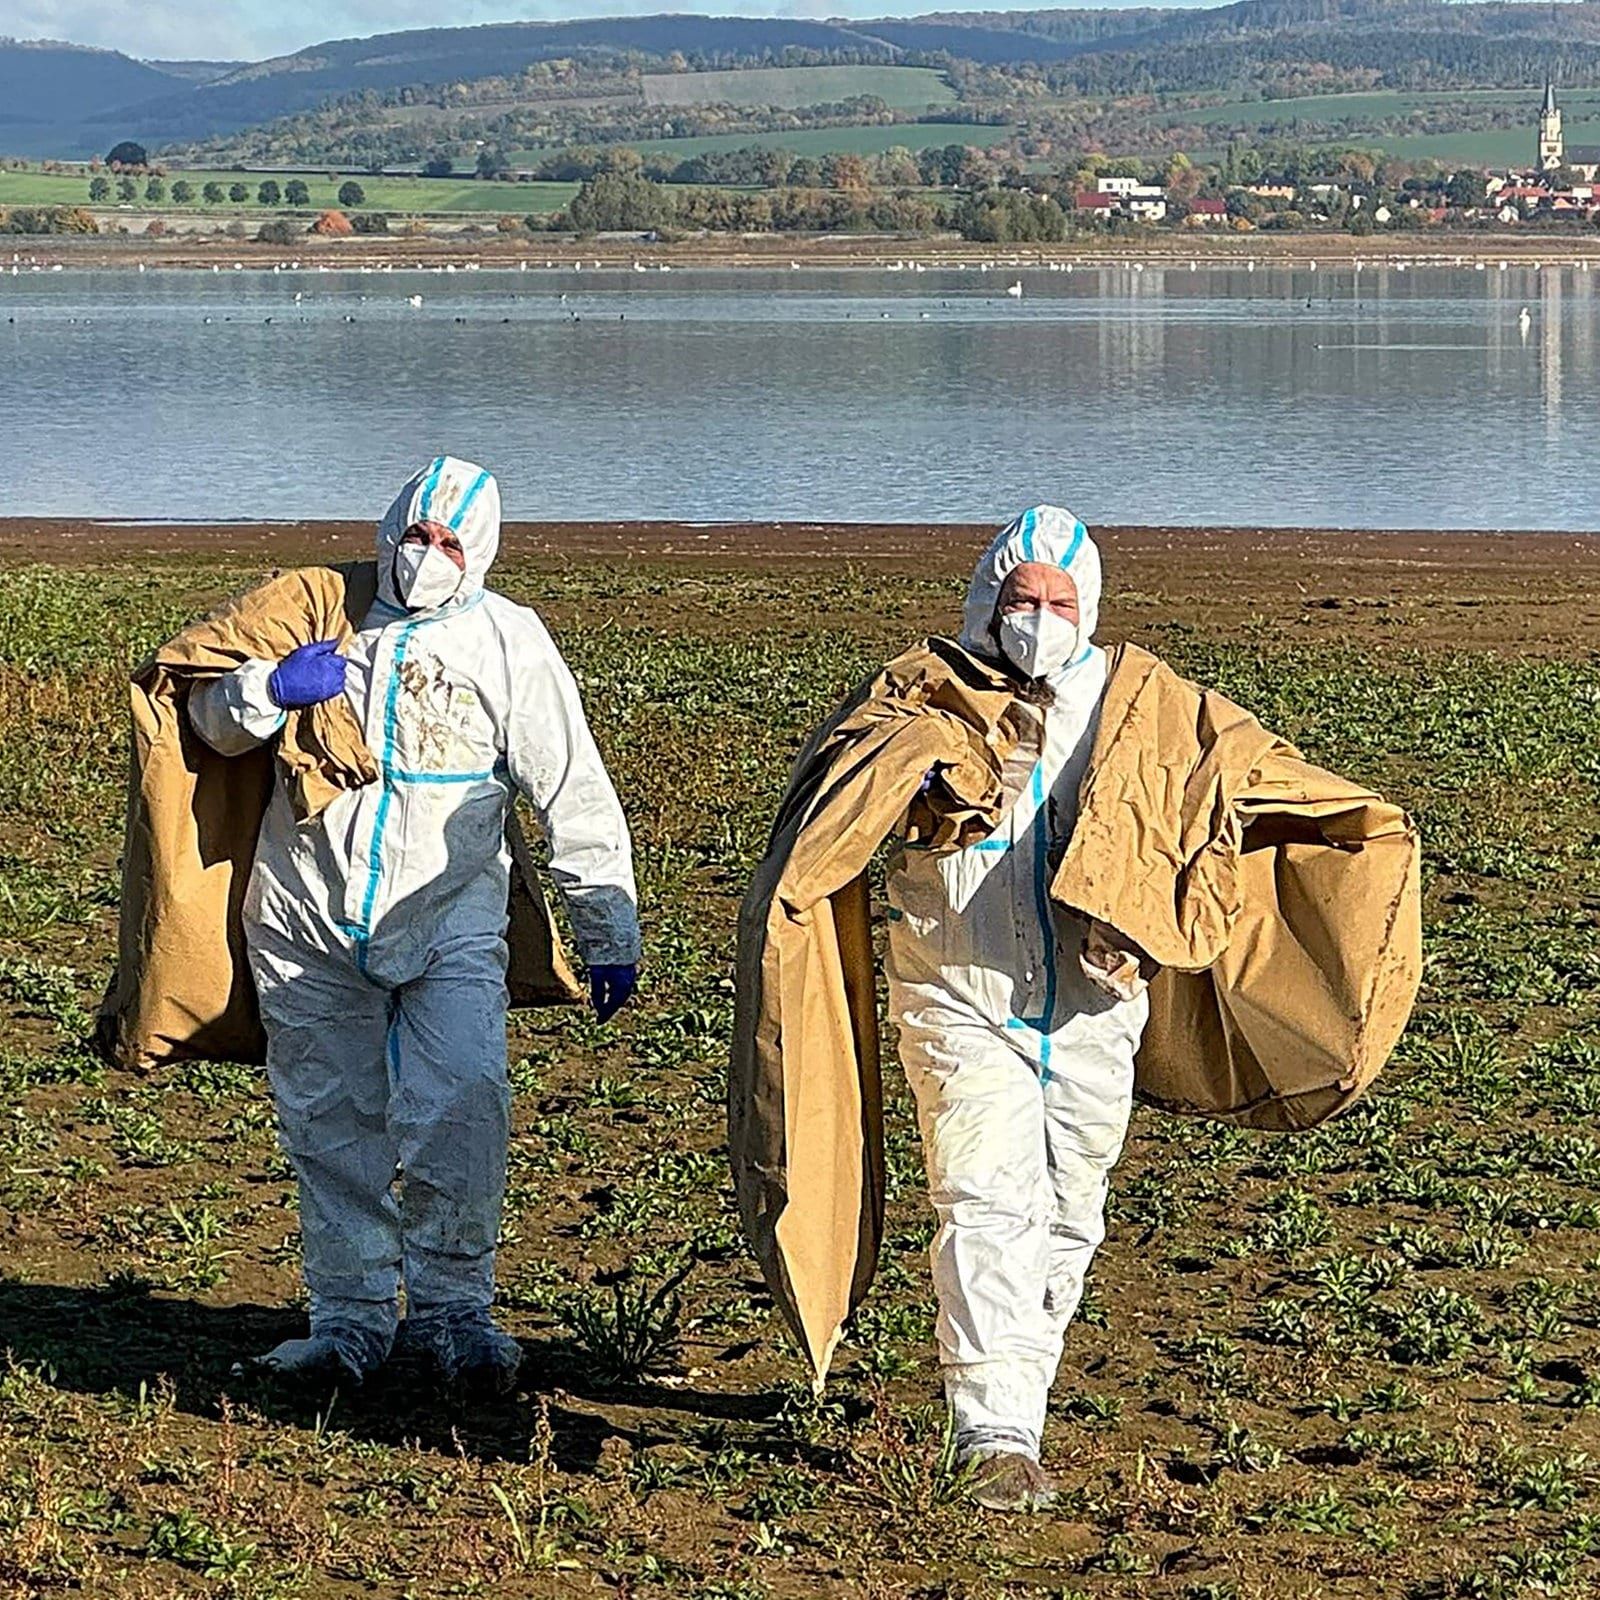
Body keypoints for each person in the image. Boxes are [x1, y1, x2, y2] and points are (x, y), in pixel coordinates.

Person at [187, 455, 641, 1394]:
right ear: (388, 527)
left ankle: (454, 1314)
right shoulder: (316, 615)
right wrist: (270, 689)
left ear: (480, 554)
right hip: (306, 909)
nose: (424, 557)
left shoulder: (508, 642)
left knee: (463, 1107)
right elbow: (204, 716)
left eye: (448, 543)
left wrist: (606, 924)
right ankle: (347, 1320)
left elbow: (571, 788)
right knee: (329, 1120)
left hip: (450, 920)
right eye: (414, 535)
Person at [883, 506, 1146, 1512]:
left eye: (1058, 603)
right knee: (985, 1196)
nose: (1037, 620)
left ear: (1089, 610)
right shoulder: (928, 695)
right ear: (986, 601)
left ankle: (1018, 1395)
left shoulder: (1132, 703)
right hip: (957, 983)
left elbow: (1221, 795)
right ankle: (992, 1430)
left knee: (1068, 1211)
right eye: (1020, 600)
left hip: (1092, 1001)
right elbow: (841, 794)